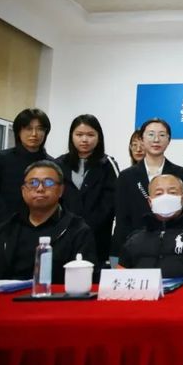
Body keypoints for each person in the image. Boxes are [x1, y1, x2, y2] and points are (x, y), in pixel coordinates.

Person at [0, 160, 97, 284]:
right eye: (33, 183)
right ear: (23, 190)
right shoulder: (4, 230)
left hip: (54, 296)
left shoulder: (77, 230)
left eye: (48, 182)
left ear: (61, 190)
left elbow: (85, 280)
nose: (40, 188)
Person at [112, 118, 183, 261]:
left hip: (172, 249)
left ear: (168, 140)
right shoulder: (126, 176)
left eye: (162, 135)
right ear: (142, 139)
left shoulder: (181, 174)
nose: (156, 140)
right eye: (151, 134)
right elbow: (122, 219)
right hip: (134, 248)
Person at [118, 174, 183, 282]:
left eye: (172, 192)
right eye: (159, 193)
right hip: (143, 292)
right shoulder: (134, 240)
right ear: (150, 202)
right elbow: (119, 280)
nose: (165, 197)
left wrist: (175, 290)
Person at [0, 108, 53, 238]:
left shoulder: (52, 165)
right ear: (18, 131)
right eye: (28, 128)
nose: (34, 134)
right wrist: (10, 225)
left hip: (38, 231)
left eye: (40, 129)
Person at [56, 114, 119, 265]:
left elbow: (112, 202)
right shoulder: (59, 164)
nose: (84, 139)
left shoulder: (108, 164)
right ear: (71, 136)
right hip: (64, 234)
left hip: (98, 237)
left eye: (90, 135)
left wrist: (86, 227)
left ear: (99, 137)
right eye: (79, 135)